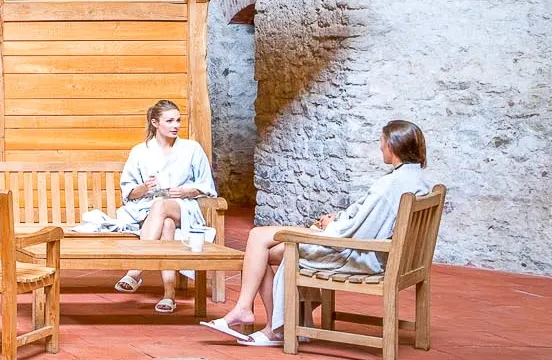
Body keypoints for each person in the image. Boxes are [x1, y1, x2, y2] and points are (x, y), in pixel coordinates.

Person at [201, 120, 432, 348]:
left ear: (392, 145)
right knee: (262, 251)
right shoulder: (417, 180)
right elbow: (367, 218)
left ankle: (266, 322)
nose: (380, 146)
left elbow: (357, 231)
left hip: (359, 255)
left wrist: (328, 227)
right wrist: (337, 218)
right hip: (383, 254)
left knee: (258, 238)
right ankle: (274, 322)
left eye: (381, 141)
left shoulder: (388, 187)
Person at [113, 99, 219, 313]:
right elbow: (129, 193)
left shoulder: (191, 149)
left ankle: (135, 270)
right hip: (148, 210)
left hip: (183, 207)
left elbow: (206, 186)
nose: (176, 125)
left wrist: (186, 191)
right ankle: (169, 295)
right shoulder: (140, 151)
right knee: (167, 226)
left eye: (178, 120)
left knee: (162, 206)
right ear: (155, 123)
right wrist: (145, 187)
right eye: (169, 121)